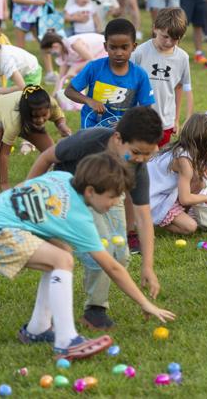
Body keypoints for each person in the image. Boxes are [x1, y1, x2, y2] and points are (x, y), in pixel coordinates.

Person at [0, 152, 175, 359]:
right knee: (62, 260)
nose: (115, 203)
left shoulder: (62, 177)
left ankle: (37, 329)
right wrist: (144, 303)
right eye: (112, 196)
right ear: (91, 191)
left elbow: (24, 188)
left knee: (62, 252)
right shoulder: (79, 217)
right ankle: (67, 342)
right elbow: (112, 267)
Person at [26, 106, 165, 329]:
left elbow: (143, 216)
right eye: (137, 152)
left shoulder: (137, 166)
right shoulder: (89, 141)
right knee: (102, 249)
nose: (141, 159)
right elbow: (46, 158)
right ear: (118, 138)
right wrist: (26, 191)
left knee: (120, 255)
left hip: (108, 196)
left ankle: (94, 307)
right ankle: (95, 311)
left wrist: (148, 266)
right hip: (69, 195)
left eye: (148, 154)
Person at [64, 18, 155, 129]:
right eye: (113, 47)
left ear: (134, 47)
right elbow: (69, 91)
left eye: (124, 47)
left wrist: (129, 122)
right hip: (92, 128)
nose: (119, 53)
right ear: (105, 46)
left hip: (123, 130)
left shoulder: (140, 75)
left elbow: (147, 108)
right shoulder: (94, 67)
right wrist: (89, 101)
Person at [0, 86, 71, 199]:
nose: (41, 120)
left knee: (52, 151)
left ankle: (54, 183)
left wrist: (62, 125)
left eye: (44, 115)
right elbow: (4, 154)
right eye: (36, 116)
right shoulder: (14, 121)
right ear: (27, 113)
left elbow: (58, 117)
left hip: (26, 121)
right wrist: (4, 184)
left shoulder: (50, 103)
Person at [147, 113, 207, 235]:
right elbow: (185, 199)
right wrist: (206, 198)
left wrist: (201, 169)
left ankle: (176, 214)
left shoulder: (183, 149)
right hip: (153, 197)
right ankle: (156, 219)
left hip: (160, 190)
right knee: (190, 227)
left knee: (199, 182)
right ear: (201, 139)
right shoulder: (183, 160)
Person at [133, 8, 193, 148]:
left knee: (159, 157)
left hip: (165, 122)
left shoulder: (182, 58)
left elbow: (180, 87)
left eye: (175, 39)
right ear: (155, 28)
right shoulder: (140, 53)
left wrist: (176, 119)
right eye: (165, 36)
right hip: (139, 120)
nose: (169, 42)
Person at [40, 31, 106, 80]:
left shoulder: (75, 45)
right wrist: (55, 93)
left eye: (49, 52)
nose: (51, 55)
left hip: (105, 49)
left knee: (75, 71)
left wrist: (74, 69)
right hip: (95, 55)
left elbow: (94, 62)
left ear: (55, 46)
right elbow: (61, 78)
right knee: (74, 74)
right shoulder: (63, 54)